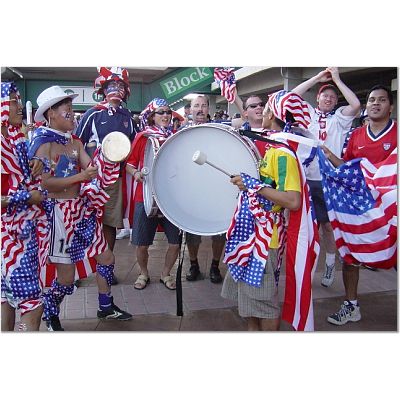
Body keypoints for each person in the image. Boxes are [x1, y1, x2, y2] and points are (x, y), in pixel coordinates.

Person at [30, 85, 132, 331]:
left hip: (80, 211)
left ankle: (105, 306)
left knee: (106, 257)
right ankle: (51, 312)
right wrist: (81, 177)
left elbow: (91, 169)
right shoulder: (43, 144)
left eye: (71, 105)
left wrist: (107, 158)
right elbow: (44, 184)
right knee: (65, 279)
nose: (71, 111)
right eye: (65, 106)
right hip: (58, 215)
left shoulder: (74, 143)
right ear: (50, 113)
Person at [221, 90, 318, 331]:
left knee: (265, 305)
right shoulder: (274, 147)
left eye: (265, 108)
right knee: (252, 304)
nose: (261, 111)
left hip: (267, 241)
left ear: (273, 114)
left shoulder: (283, 153)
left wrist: (255, 186)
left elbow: (292, 201)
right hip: (253, 236)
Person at [322, 85, 397, 325]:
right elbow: (347, 168)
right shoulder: (356, 135)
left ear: (390, 106)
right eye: (372, 100)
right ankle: (351, 306)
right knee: (350, 254)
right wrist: (326, 154)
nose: (375, 103)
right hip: (363, 207)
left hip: (392, 210)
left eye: (381, 100)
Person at [292, 67, 360, 287]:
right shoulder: (307, 114)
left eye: (333, 96)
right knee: (305, 226)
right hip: (304, 177)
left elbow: (357, 105)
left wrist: (337, 80)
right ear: (318, 98)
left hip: (328, 179)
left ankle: (330, 261)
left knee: (328, 226)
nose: (329, 99)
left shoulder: (339, 118)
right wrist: (317, 78)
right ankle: (306, 267)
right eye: (325, 95)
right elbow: (292, 97)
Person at [76, 67, 136, 284]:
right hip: (92, 179)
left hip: (115, 180)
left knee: (110, 223)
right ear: (102, 89)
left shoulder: (127, 116)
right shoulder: (93, 114)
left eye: (120, 86)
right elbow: (76, 144)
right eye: (112, 85)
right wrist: (81, 174)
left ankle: (106, 268)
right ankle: (77, 268)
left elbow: (133, 146)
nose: (116, 90)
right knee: (86, 222)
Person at [1, 81, 49, 331]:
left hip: (22, 231)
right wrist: (26, 198)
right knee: (32, 303)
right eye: (13, 100)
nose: (19, 106)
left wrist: (40, 162)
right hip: (10, 237)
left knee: (5, 300)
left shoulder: (13, 137)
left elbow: (24, 173)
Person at [125, 98, 180, 290]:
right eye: (161, 112)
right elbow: (130, 164)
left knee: (175, 242)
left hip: (171, 197)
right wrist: (137, 174)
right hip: (146, 196)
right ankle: (143, 273)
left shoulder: (177, 137)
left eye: (168, 112)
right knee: (142, 243)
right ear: (151, 117)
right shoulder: (143, 137)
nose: (165, 115)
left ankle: (166, 273)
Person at [183, 95, 226, 284]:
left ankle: (215, 266)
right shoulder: (181, 133)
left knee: (220, 232)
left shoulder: (219, 130)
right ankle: (194, 265)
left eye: (203, 106)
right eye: (196, 106)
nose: (200, 109)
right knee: (191, 233)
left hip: (216, 190)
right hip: (192, 191)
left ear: (208, 108)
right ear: (190, 110)